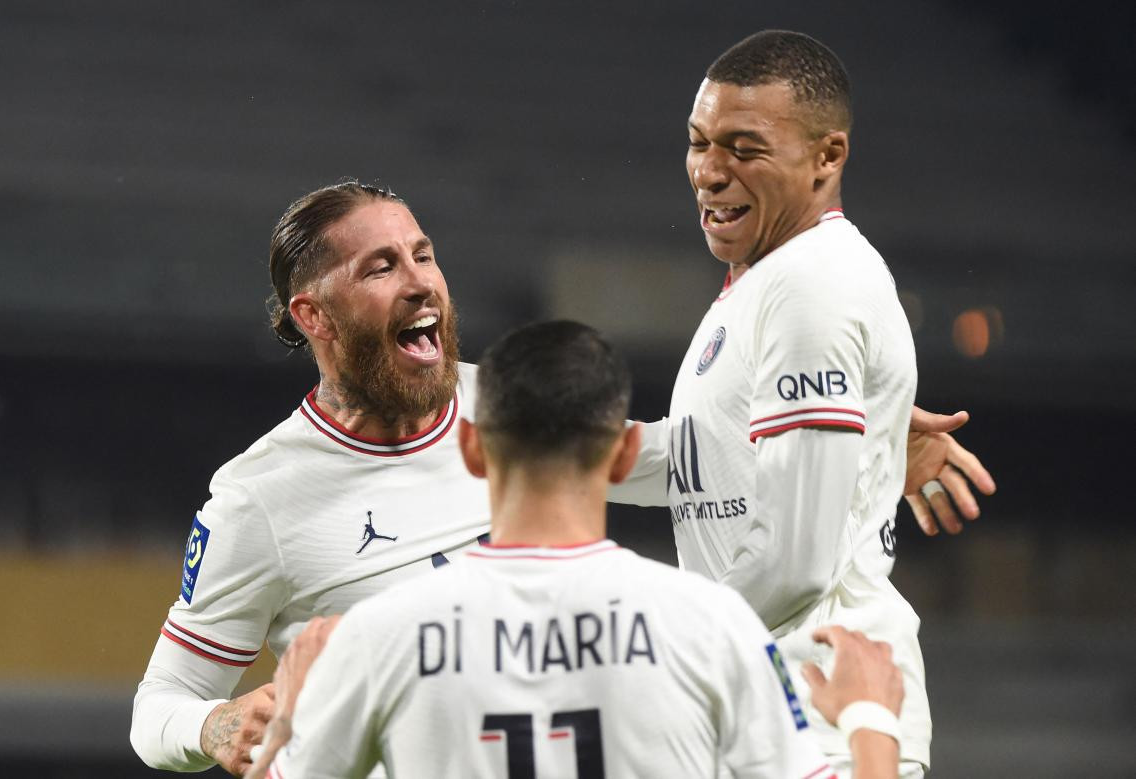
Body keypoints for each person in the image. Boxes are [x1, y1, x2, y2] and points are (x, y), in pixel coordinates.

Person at [130, 180, 988, 776]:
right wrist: (210, 723)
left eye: (423, 253)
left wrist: (850, 434)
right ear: (312, 314)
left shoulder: (503, 405)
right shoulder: (261, 497)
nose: (420, 278)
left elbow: (675, 457)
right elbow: (159, 705)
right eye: (380, 266)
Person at [244, 321, 906, 779]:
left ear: (471, 448)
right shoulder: (712, 623)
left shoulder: (379, 634)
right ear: (623, 455)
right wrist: (870, 715)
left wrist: (293, 723)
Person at [670, 30, 962, 776]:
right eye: (700, 142)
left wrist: (665, 653)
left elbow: (794, 562)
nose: (708, 171)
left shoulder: (812, 286)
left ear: (827, 157)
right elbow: (704, 455)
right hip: (772, 711)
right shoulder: (770, 277)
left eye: (743, 147)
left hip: (821, 719)